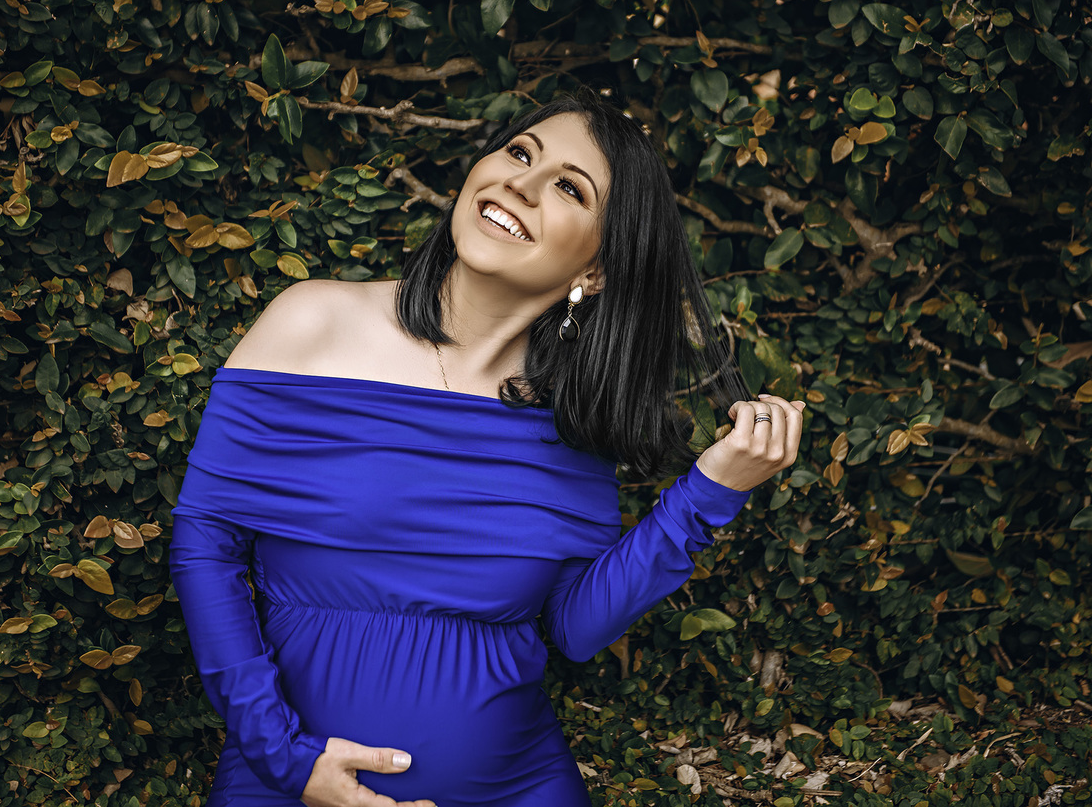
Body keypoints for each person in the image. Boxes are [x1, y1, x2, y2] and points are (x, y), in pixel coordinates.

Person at [168, 91, 805, 807]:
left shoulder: (570, 419)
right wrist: (285, 758)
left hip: (520, 787)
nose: (521, 183)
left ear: (595, 271)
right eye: (519, 152)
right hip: (287, 783)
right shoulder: (314, 323)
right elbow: (206, 544)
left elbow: (576, 627)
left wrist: (711, 491)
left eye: (569, 187)